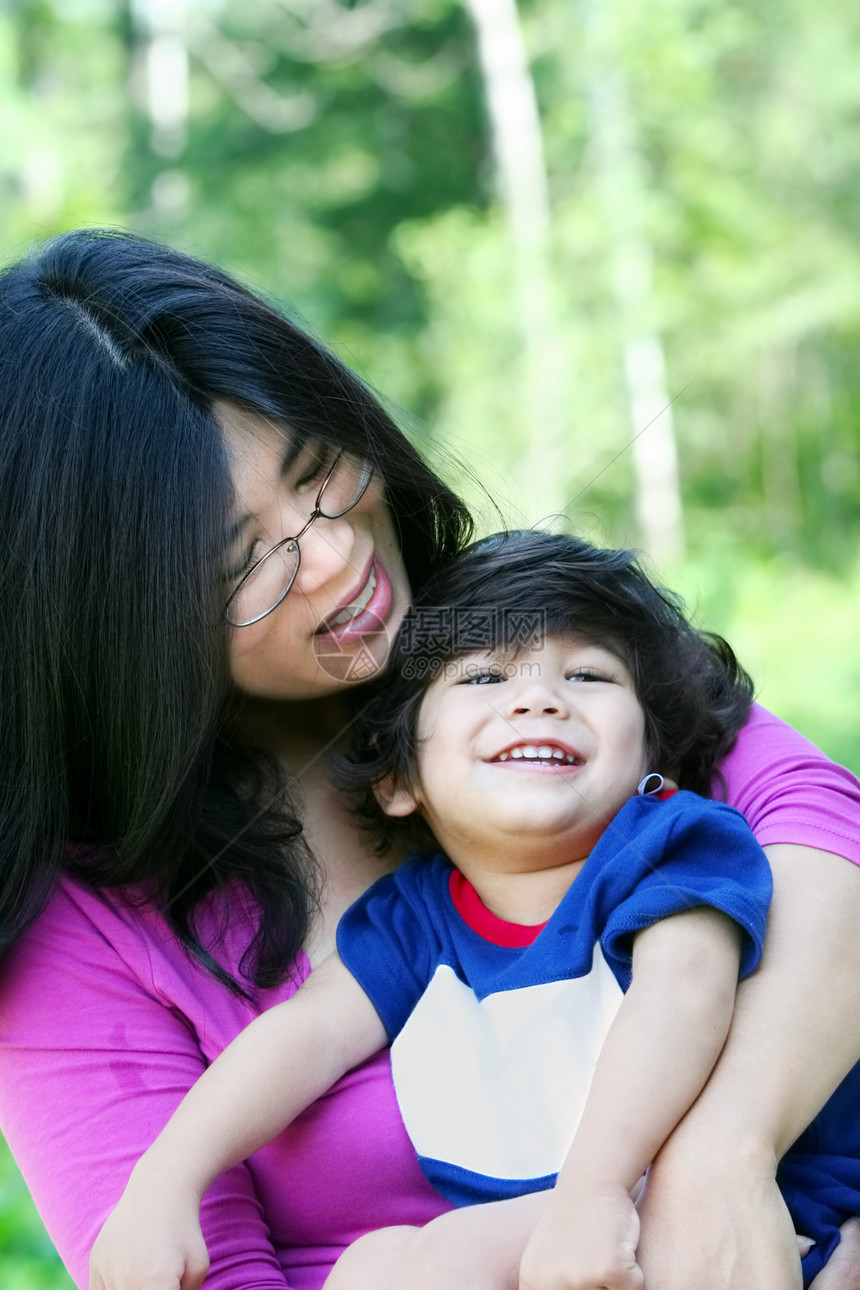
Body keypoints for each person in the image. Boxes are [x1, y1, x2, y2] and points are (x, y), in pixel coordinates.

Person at [0, 230, 857, 1290]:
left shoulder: (530, 642)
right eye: (243, 565)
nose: (333, 559)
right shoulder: (86, 927)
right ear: (112, 633)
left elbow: (818, 829)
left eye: (321, 473)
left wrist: (717, 1159)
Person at [88, 531, 860, 1290]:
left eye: (588, 675)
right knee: (372, 1271)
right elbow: (303, 1035)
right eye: (485, 678)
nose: (539, 699)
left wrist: (593, 1193)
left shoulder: (672, 846)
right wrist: (166, 1182)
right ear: (398, 780)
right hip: (568, 1228)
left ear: (653, 754)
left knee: (446, 1260)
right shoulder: (418, 918)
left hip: (753, 1219)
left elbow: (684, 994)